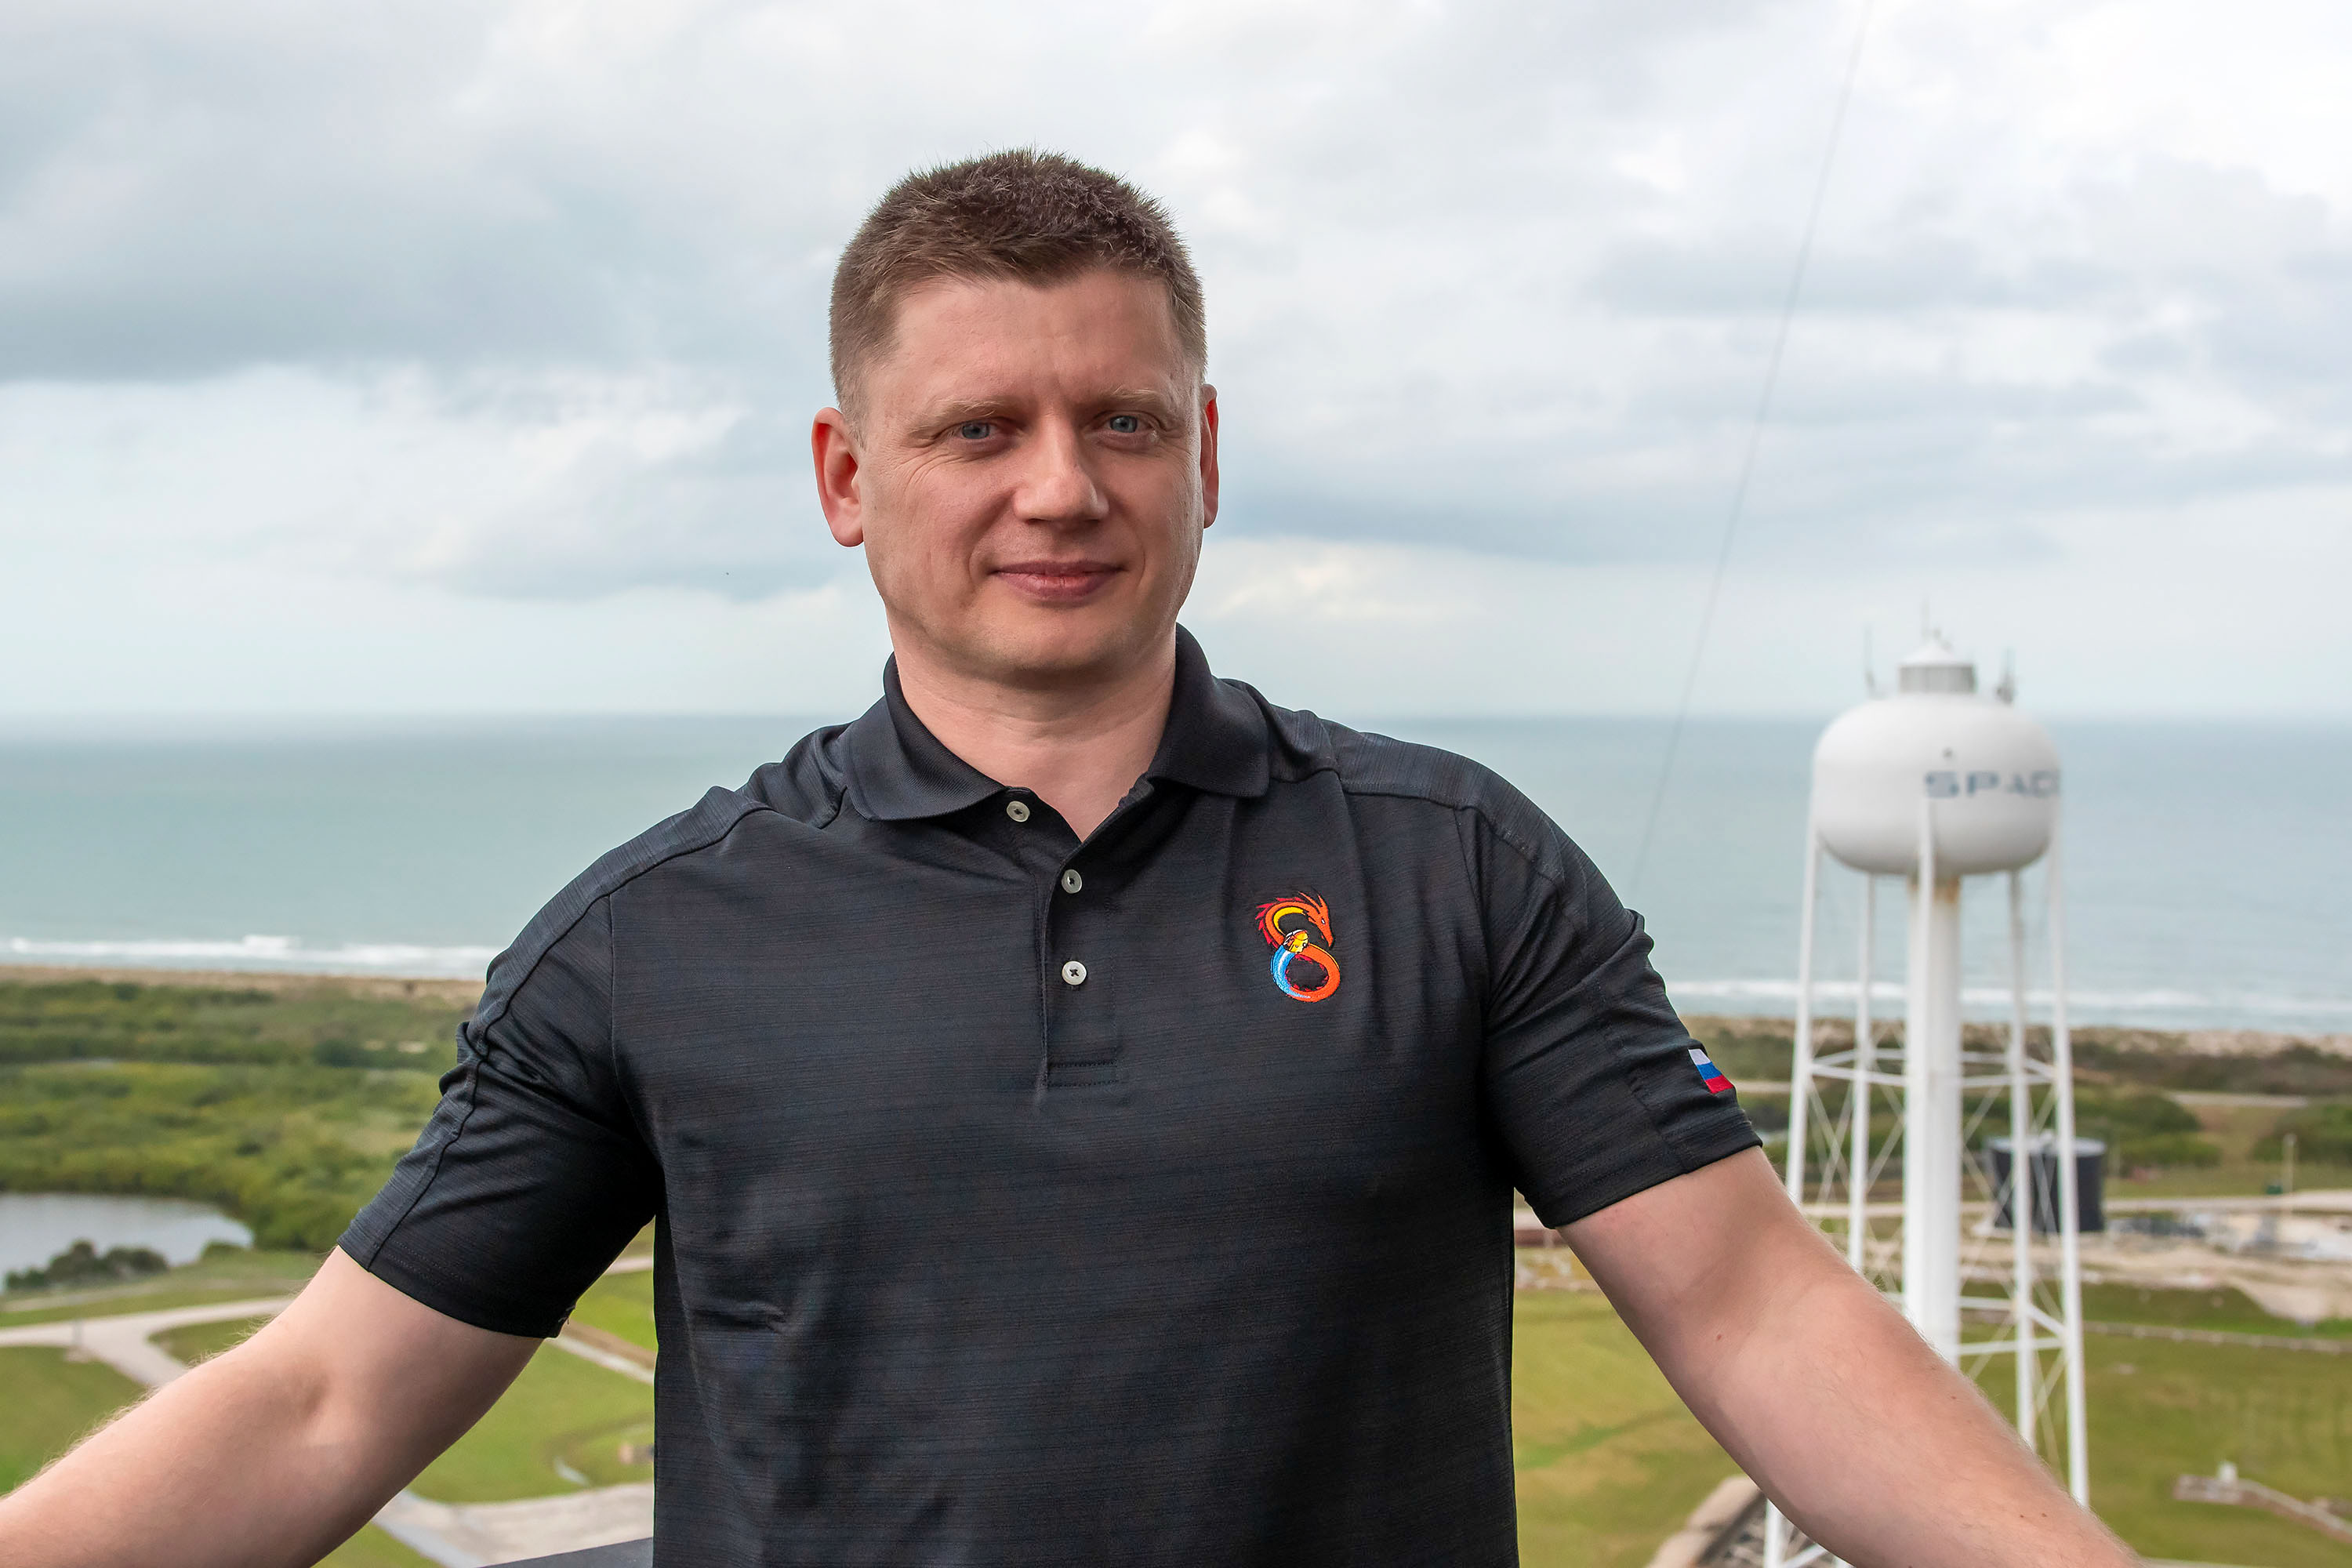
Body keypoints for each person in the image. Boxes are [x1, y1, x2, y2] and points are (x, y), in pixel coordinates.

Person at [0, 151, 2135, 1568]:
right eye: (978, 430)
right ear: (848, 478)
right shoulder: (655, 942)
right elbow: (315, 1403)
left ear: (1205, 454)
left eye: (1123, 420)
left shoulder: (1460, 870)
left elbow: (1758, 1310)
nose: (1062, 487)